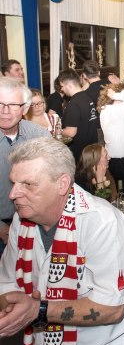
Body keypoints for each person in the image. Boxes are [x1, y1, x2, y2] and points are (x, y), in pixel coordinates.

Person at [0, 137, 124, 345]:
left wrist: (37, 310)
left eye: (28, 184)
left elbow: (113, 308)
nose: (13, 194)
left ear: (62, 183)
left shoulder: (102, 222)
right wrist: (13, 309)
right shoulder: (20, 221)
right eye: (13, 183)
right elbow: (6, 282)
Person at [0, 78, 50, 258]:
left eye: (13, 105)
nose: (5, 111)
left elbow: (55, 176)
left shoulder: (39, 136)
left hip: (36, 225)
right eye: (0, 103)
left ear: (25, 108)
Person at [98, 83, 124, 200]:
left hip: (117, 162)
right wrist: (115, 95)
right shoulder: (118, 111)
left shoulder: (107, 111)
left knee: (122, 193)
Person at [58, 69, 99, 162]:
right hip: (91, 150)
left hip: (80, 153)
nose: (61, 89)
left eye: (62, 86)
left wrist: (58, 132)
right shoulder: (88, 97)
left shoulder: (73, 104)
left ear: (69, 85)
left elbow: (71, 132)